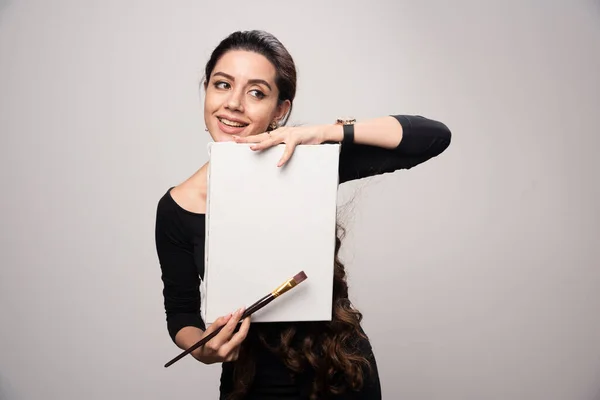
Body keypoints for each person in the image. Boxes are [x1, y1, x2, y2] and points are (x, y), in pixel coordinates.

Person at [155, 30, 451, 400]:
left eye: (256, 92)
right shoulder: (177, 206)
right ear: (206, 91)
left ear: (280, 111)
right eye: (222, 84)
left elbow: (434, 136)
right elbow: (181, 312)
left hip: (340, 370)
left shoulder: (309, 162)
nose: (233, 103)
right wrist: (201, 348)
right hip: (252, 382)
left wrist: (324, 133)